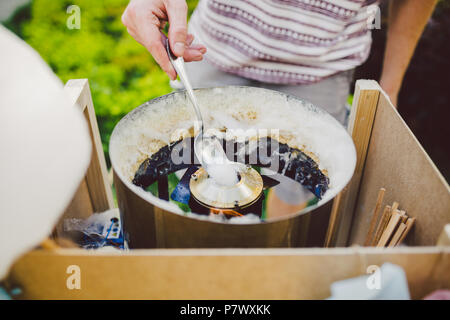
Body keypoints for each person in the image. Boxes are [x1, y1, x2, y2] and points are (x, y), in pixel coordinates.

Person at [121, 0, 437, 217]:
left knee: (294, 187)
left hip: (321, 69)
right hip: (215, 48)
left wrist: (391, 85)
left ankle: (269, 263)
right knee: (192, 169)